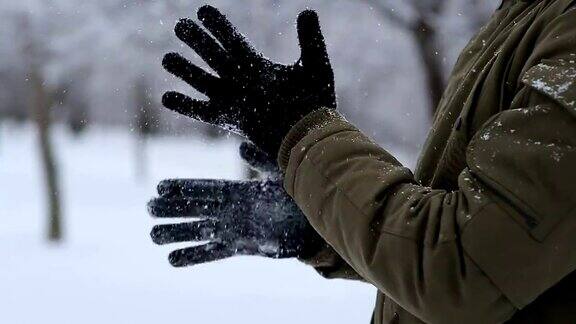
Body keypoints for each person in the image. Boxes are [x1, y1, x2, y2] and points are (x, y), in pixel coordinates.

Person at [147, 2, 576, 323]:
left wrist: (305, 135)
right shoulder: (528, 16)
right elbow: (486, 246)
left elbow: (463, 271)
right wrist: (323, 221)